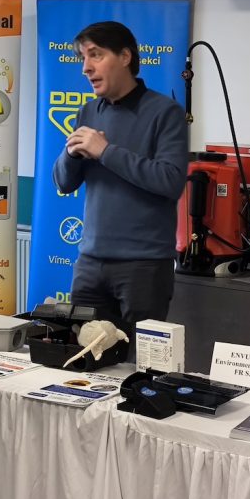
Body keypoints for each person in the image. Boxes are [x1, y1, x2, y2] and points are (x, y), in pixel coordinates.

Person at [53, 21, 188, 341]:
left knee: (141, 361)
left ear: (125, 57)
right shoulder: (88, 112)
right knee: (83, 353)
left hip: (144, 266)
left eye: (96, 55)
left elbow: (170, 181)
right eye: (83, 58)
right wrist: (71, 155)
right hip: (90, 263)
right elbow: (62, 183)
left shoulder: (165, 113)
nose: (86, 67)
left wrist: (105, 151)